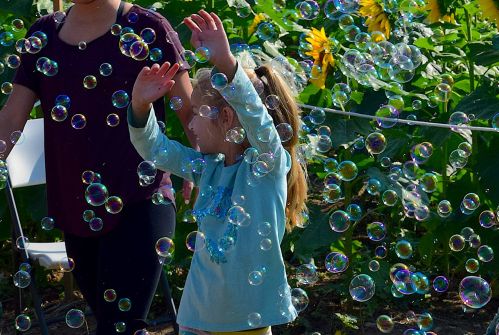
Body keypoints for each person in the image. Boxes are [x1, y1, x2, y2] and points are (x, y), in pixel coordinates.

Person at [0, 1, 196, 333]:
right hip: (75, 207)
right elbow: (11, 119)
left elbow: (189, 112)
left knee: (118, 325)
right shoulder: (44, 34)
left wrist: (204, 167)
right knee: (112, 322)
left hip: (141, 198)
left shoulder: (147, 26)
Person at [128, 9, 308, 334]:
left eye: (198, 113)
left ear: (225, 118)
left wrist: (226, 63)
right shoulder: (206, 168)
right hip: (198, 317)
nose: (191, 124)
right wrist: (140, 107)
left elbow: (257, 119)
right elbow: (156, 149)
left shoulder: (265, 167)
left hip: (248, 320)